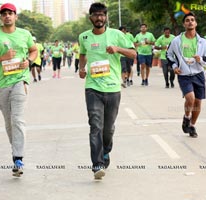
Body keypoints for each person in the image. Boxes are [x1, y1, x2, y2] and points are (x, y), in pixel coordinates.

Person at [79, 2, 136, 179]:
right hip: (92, 87)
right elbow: (82, 54)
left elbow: (133, 54)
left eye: (102, 15)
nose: (99, 18)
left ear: (106, 17)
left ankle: (105, 151)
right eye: (95, 15)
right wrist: (82, 68)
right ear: (90, 18)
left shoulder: (117, 35)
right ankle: (97, 164)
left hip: (112, 88)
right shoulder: (84, 37)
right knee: (95, 125)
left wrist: (117, 49)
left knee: (108, 129)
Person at [0, 3, 37, 177]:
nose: (7, 16)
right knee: (8, 122)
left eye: (10, 13)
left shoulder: (24, 34)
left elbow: (34, 50)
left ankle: (18, 158)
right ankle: (16, 151)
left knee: (17, 118)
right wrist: (2, 58)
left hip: (20, 80)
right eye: (4, 14)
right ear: (1, 17)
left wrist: (29, 60)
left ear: (15, 17)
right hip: (1, 84)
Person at [166, 12, 206, 138]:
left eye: (192, 20)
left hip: (198, 74)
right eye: (187, 20)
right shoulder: (176, 41)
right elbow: (168, 55)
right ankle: (186, 117)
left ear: (196, 23)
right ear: (184, 24)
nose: (190, 22)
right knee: (190, 98)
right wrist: (175, 66)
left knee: (197, 103)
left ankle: (192, 125)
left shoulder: (203, 41)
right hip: (184, 74)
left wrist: (200, 59)